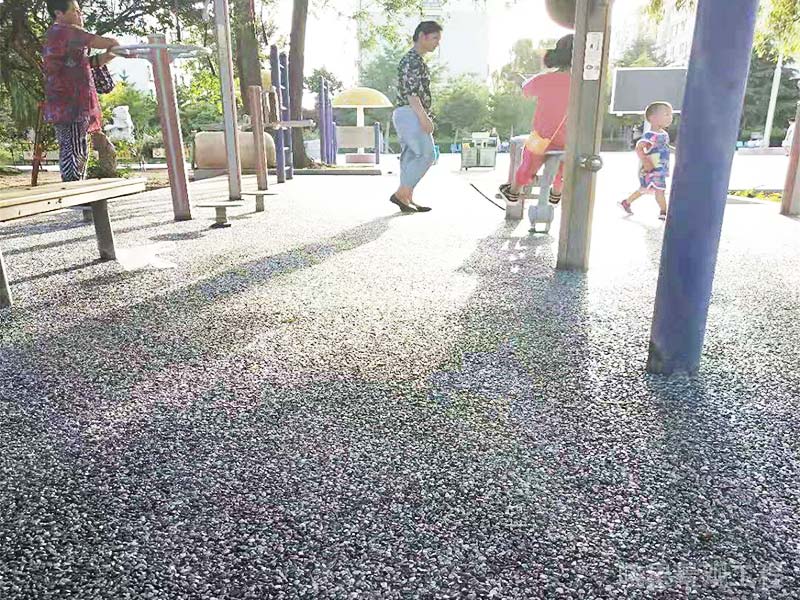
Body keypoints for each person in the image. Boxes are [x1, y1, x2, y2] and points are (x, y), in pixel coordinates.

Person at [42, 0, 121, 182]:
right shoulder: (67, 31)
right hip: (71, 103)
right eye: (75, 11)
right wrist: (116, 45)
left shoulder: (58, 36)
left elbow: (85, 63)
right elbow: (105, 42)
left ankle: (75, 191)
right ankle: (74, 192)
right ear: (58, 13)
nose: (80, 15)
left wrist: (108, 55)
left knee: (75, 147)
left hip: (66, 102)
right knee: (74, 150)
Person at [499, 34, 573, 205]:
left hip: (543, 138)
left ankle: (514, 191)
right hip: (569, 141)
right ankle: (556, 193)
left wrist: (518, 78)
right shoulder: (584, 83)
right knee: (564, 168)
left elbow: (526, 90)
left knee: (529, 160)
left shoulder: (545, 79)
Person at [389, 21, 442, 214]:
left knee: (411, 156)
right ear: (422, 36)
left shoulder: (415, 59)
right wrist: (424, 117)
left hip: (407, 113)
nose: (437, 43)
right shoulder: (412, 60)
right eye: (435, 38)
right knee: (427, 155)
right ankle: (401, 193)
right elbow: (412, 93)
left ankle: (407, 198)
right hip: (410, 112)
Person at [619, 101, 674, 221]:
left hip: (660, 168)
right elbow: (639, 147)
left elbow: (663, 148)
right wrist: (645, 161)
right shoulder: (650, 135)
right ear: (653, 118)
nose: (670, 117)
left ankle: (627, 202)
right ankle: (664, 212)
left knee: (644, 189)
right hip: (653, 169)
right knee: (659, 190)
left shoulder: (664, 134)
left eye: (670, 114)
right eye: (666, 114)